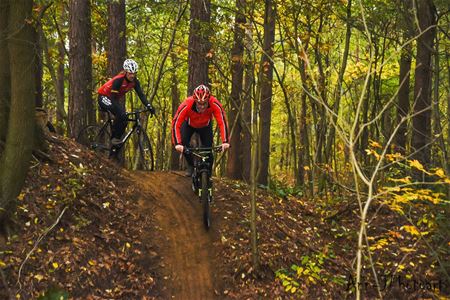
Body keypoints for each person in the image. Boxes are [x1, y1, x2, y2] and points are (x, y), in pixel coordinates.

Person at [172, 84, 230, 176]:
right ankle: (190, 166)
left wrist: (225, 141)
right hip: (189, 125)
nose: (202, 106)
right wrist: (177, 144)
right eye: (199, 103)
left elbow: (222, 121)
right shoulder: (187, 104)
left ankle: (208, 174)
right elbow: (176, 123)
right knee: (183, 143)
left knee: (208, 150)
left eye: (205, 103)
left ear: (208, 100)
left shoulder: (214, 103)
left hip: (205, 126)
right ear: (195, 101)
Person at [97, 59, 155, 146]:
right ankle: (114, 139)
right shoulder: (119, 80)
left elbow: (141, 95)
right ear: (125, 72)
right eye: (130, 73)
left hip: (113, 99)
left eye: (134, 73)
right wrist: (121, 112)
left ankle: (115, 142)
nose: (132, 76)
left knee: (125, 119)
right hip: (104, 97)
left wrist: (149, 105)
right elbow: (112, 98)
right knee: (121, 114)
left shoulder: (135, 82)